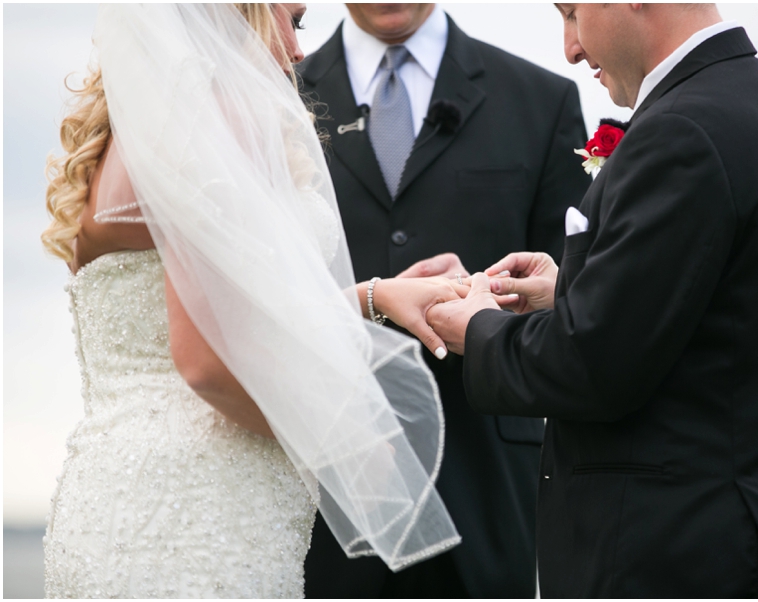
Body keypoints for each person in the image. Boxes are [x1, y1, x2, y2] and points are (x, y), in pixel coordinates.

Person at [41, 4, 467, 597]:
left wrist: (376, 296)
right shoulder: (212, 123)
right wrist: (343, 441)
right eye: (288, 20)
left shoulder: (128, 136)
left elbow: (215, 316)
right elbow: (207, 362)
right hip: (202, 517)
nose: (296, 51)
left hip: (108, 503)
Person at [425, 3, 758, 598]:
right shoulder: (747, 101)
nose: (570, 48)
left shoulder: (685, 130)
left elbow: (591, 366)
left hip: (671, 558)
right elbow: (704, 312)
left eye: (571, 12)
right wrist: (567, 291)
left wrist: (477, 326)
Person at [296, 3, 592, 597]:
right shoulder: (272, 96)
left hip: (487, 488)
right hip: (318, 491)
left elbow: (578, 306)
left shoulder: (541, 100)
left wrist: (487, 295)